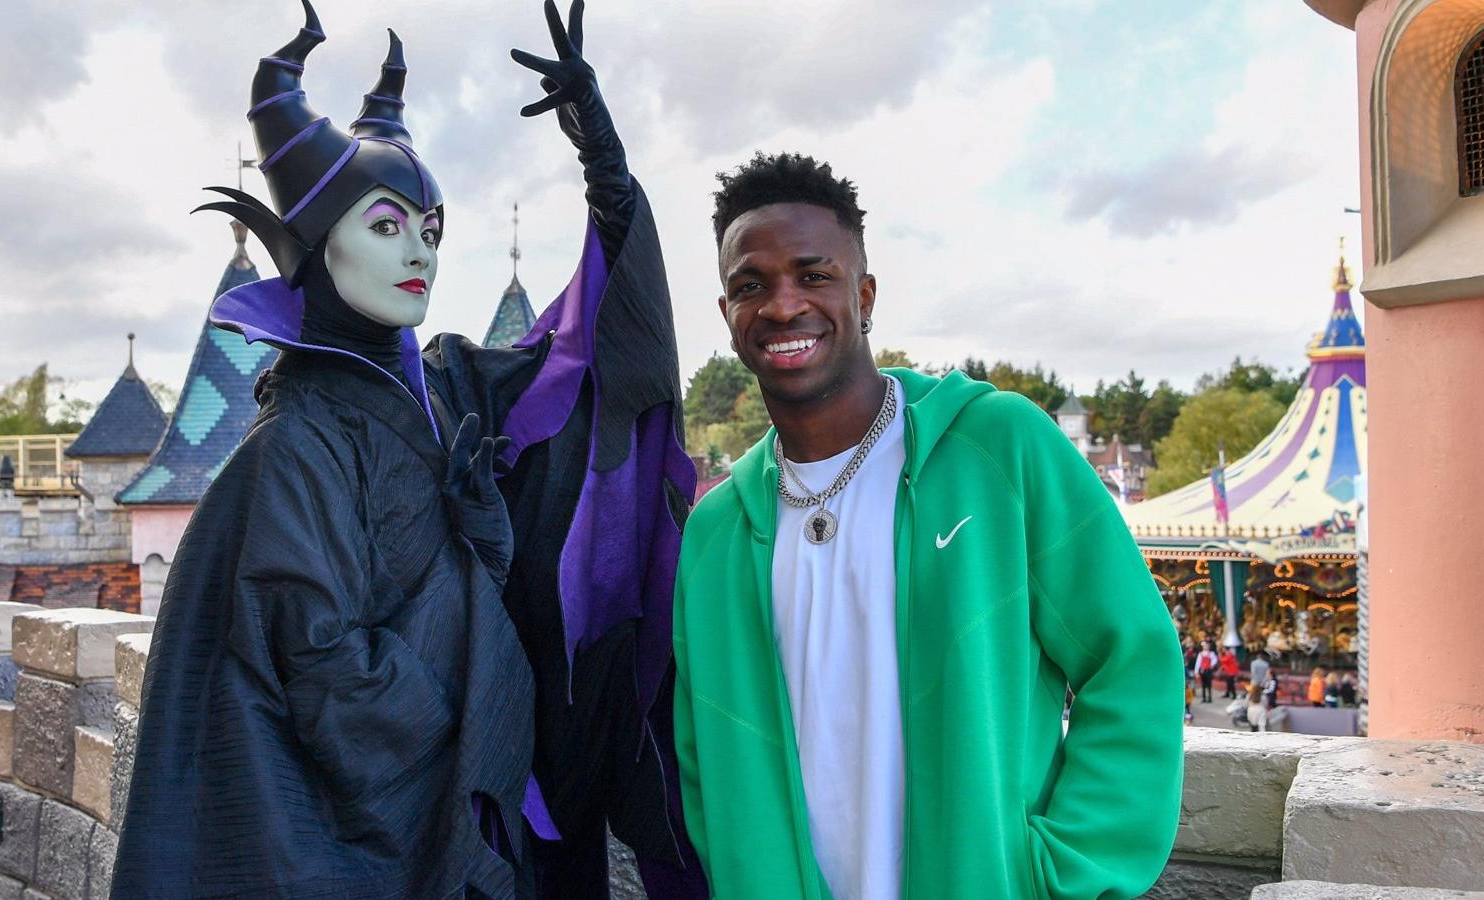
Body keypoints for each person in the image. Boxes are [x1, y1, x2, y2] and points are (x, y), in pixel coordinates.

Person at [113, 3, 703, 897]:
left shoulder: (447, 390)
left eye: (430, 229)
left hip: (477, 802)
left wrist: (608, 178)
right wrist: (480, 679)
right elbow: (326, 677)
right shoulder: (293, 447)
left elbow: (591, 367)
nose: (419, 252)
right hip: (388, 839)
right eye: (386, 226)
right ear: (318, 243)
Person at [671, 153, 1183, 898]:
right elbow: (702, 757)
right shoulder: (716, 531)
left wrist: (1062, 874)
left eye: (813, 275)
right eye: (752, 285)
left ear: (864, 294)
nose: (782, 306)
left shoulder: (999, 447)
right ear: (727, 314)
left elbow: (1131, 658)